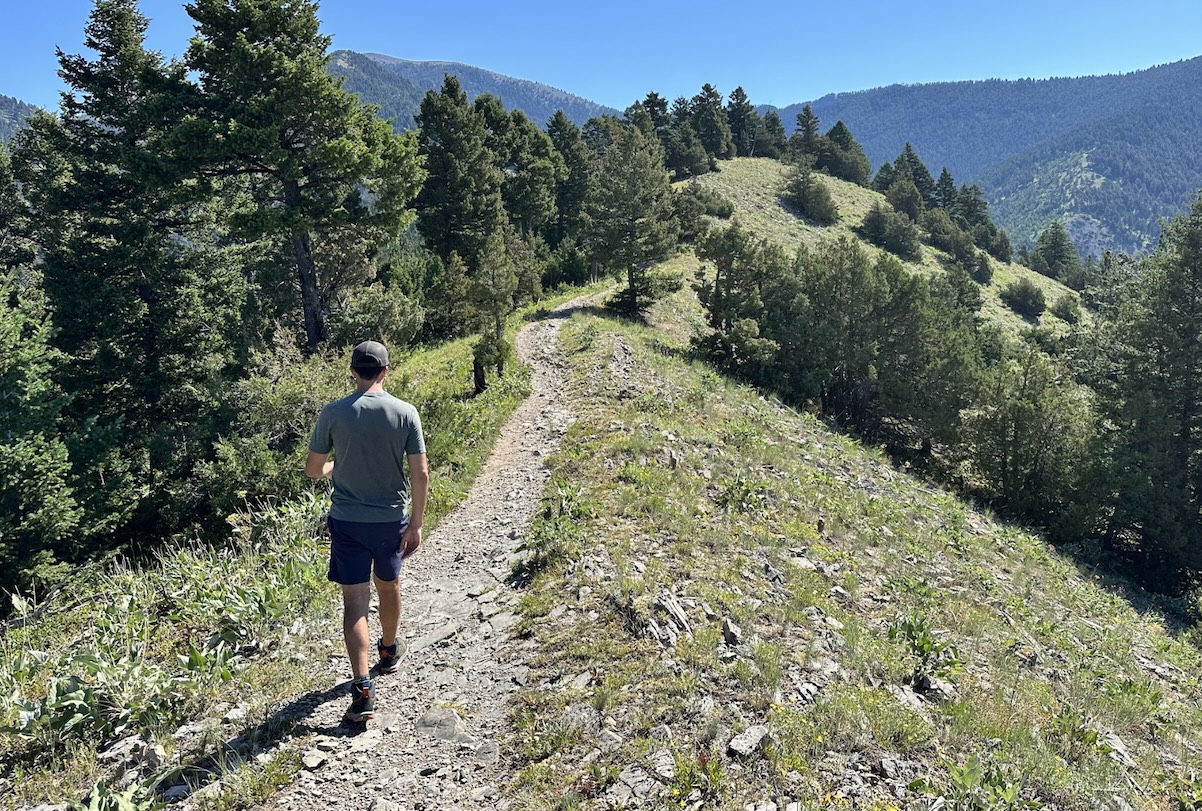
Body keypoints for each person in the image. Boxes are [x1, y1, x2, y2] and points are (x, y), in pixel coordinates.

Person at [306, 340, 428, 723]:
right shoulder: (405, 413)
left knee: (355, 602)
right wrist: (417, 523)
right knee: (389, 584)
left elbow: (313, 469)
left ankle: (362, 690)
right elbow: (420, 474)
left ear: (353, 372)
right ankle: (389, 651)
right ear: (386, 372)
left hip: (347, 521)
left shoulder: (334, 413)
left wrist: (332, 469)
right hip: (391, 519)